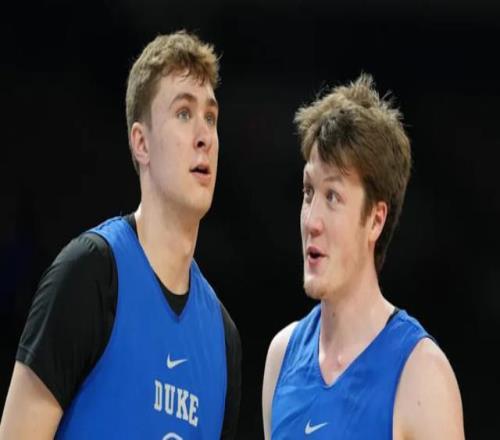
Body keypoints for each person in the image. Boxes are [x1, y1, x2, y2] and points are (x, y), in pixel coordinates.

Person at [0, 31, 241, 439]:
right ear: (141, 143)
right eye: (184, 113)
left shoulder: (223, 338)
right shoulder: (89, 274)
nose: (204, 136)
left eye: (211, 118)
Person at [262, 74, 464, 439]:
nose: (312, 221)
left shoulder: (422, 376)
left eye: (333, 197)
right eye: (309, 192)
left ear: (375, 219)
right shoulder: (281, 358)